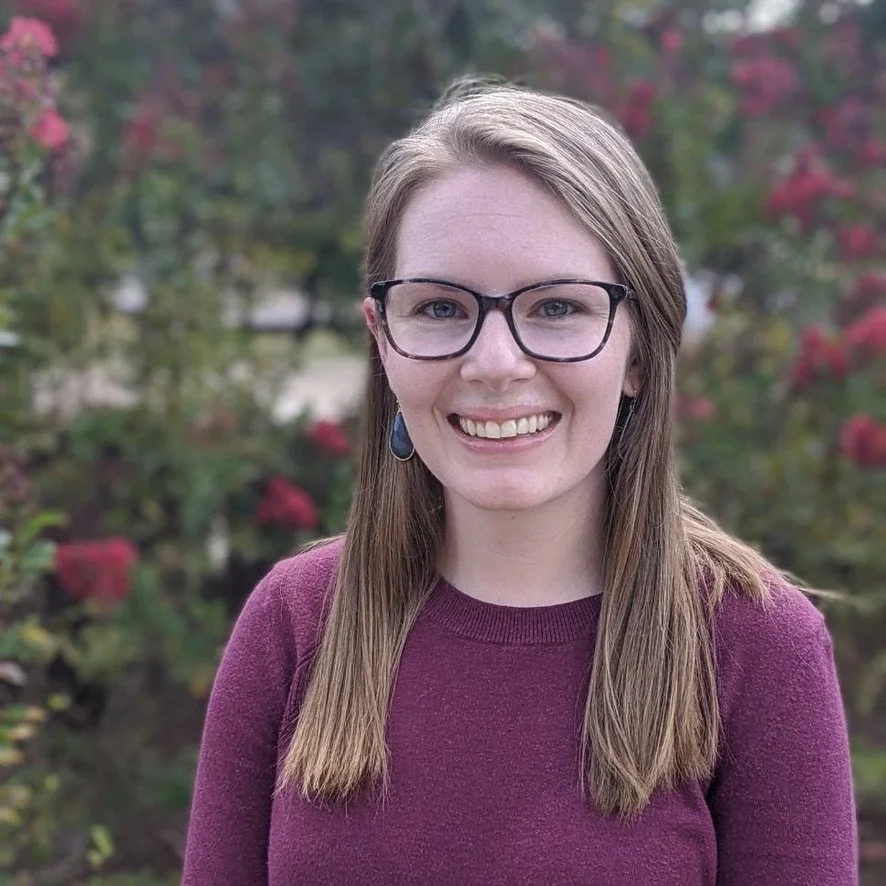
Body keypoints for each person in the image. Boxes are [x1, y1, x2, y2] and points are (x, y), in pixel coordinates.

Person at [182, 80, 858, 885]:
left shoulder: (757, 647)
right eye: (438, 308)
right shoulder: (293, 627)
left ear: (638, 349)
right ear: (382, 339)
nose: (495, 364)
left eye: (558, 307)